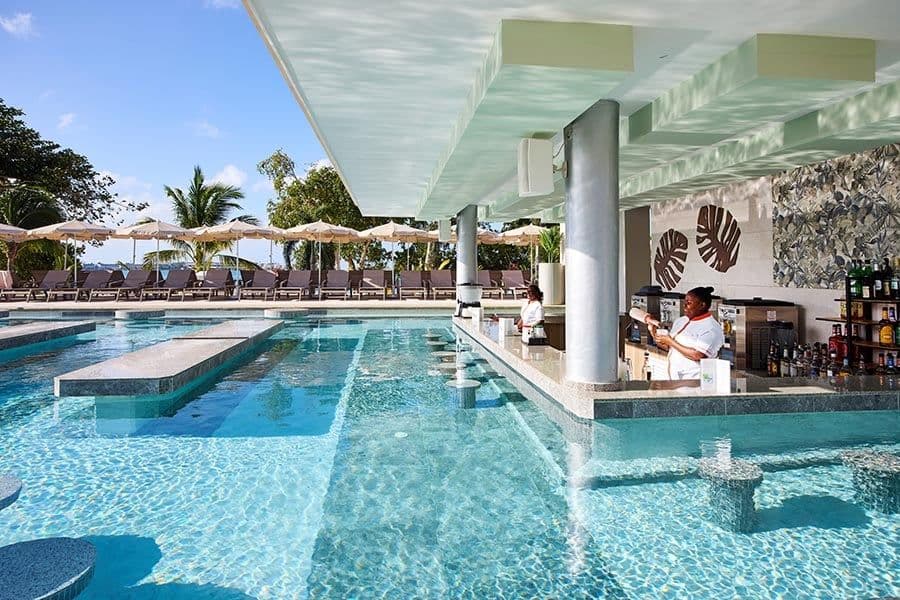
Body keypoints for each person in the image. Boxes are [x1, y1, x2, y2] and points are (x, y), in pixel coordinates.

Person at [650, 286, 724, 380]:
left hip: (695, 381)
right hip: (674, 379)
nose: (684, 306)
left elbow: (697, 355)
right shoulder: (680, 321)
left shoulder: (711, 328)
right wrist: (653, 332)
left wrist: (670, 341)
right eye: (685, 302)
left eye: (689, 303)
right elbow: (669, 347)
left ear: (702, 305)